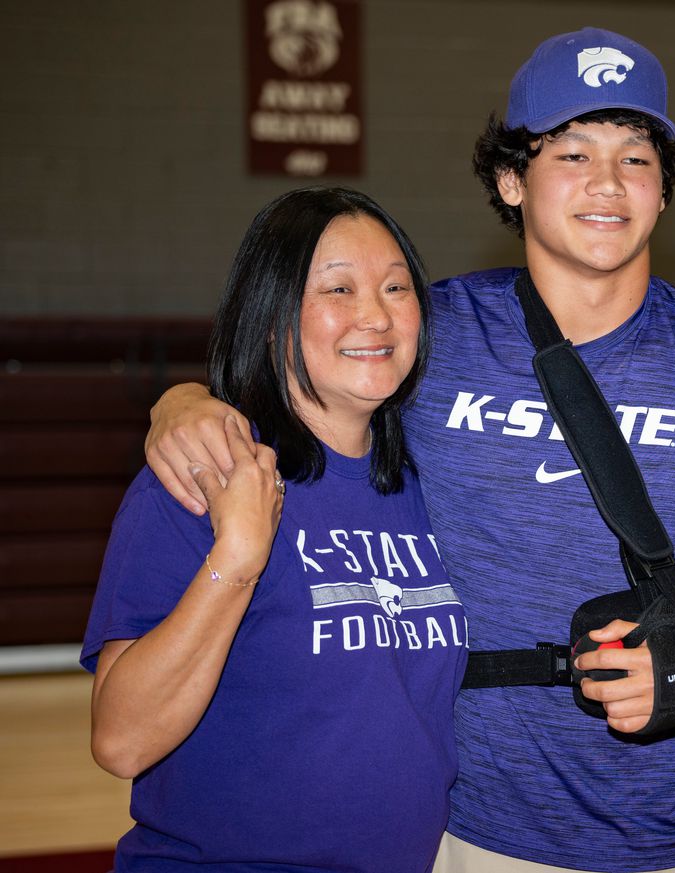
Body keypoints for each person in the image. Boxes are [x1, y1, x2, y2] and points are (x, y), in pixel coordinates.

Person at [143, 28, 675, 873]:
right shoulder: (427, 337)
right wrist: (182, 401)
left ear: (663, 190)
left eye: (636, 157)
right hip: (468, 832)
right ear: (512, 180)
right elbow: (292, 373)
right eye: (572, 153)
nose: (608, 184)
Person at [82, 187, 468, 872]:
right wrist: (238, 555)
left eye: (395, 286)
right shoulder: (204, 476)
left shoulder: (431, 479)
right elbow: (122, 739)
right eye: (338, 289)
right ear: (271, 316)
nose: (375, 315)